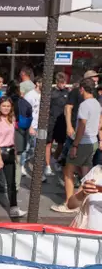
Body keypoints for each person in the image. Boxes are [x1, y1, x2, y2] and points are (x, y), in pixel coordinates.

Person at [52, 78, 102, 214]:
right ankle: (82, 201)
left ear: (81, 89)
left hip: (83, 142)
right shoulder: (97, 103)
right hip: (93, 142)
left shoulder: (85, 105)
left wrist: (75, 145)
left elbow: (81, 126)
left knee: (68, 172)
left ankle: (69, 203)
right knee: (85, 173)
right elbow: (99, 123)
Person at [46, 72, 69, 176]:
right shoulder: (51, 93)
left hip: (62, 122)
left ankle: (54, 160)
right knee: (48, 144)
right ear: (57, 82)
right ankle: (47, 166)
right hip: (51, 121)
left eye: (65, 82)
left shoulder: (67, 93)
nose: (64, 84)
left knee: (61, 143)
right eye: (62, 82)